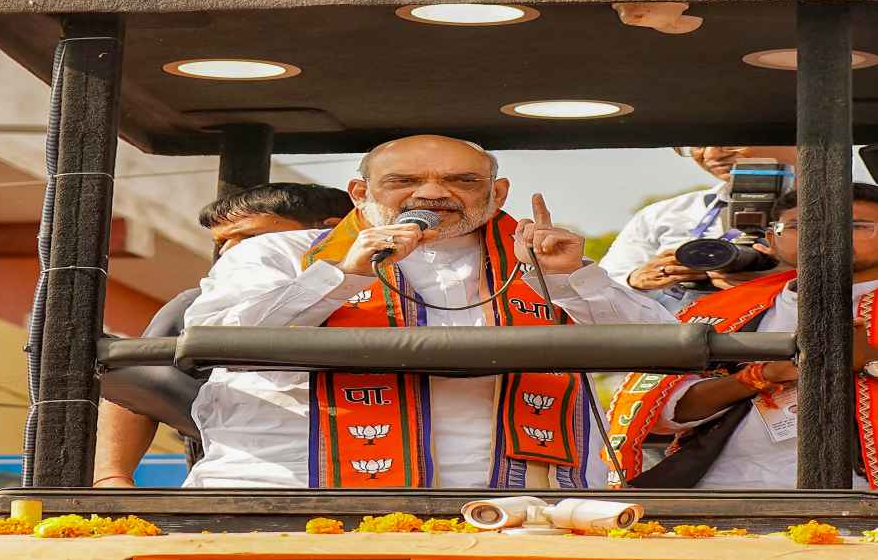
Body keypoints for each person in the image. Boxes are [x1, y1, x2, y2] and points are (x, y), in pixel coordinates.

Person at [182, 134, 676, 490]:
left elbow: (661, 353)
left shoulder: (540, 258)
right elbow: (215, 339)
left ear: (497, 194)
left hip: (515, 510)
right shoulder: (283, 252)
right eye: (405, 180)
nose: (433, 194)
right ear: (360, 194)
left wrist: (571, 279)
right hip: (290, 490)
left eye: (461, 180)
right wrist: (342, 274)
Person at [606, 183, 878, 489]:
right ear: (772, 240)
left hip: (860, 497)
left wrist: (868, 363)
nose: (826, 235)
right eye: (798, 226)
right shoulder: (728, 307)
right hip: (718, 488)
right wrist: (759, 376)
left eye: (856, 225)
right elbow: (665, 414)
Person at [93, 182, 353, 488]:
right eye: (222, 243)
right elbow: (136, 388)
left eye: (251, 237)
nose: (229, 251)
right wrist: (111, 479)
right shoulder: (197, 306)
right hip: (251, 470)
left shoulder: (409, 295)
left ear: (331, 232)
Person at [599, 146, 798, 312]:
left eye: (730, 142)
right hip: (679, 344)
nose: (711, 154)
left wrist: (791, 280)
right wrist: (636, 279)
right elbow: (599, 292)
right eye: (697, 145)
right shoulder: (662, 214)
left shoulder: (826, 208)